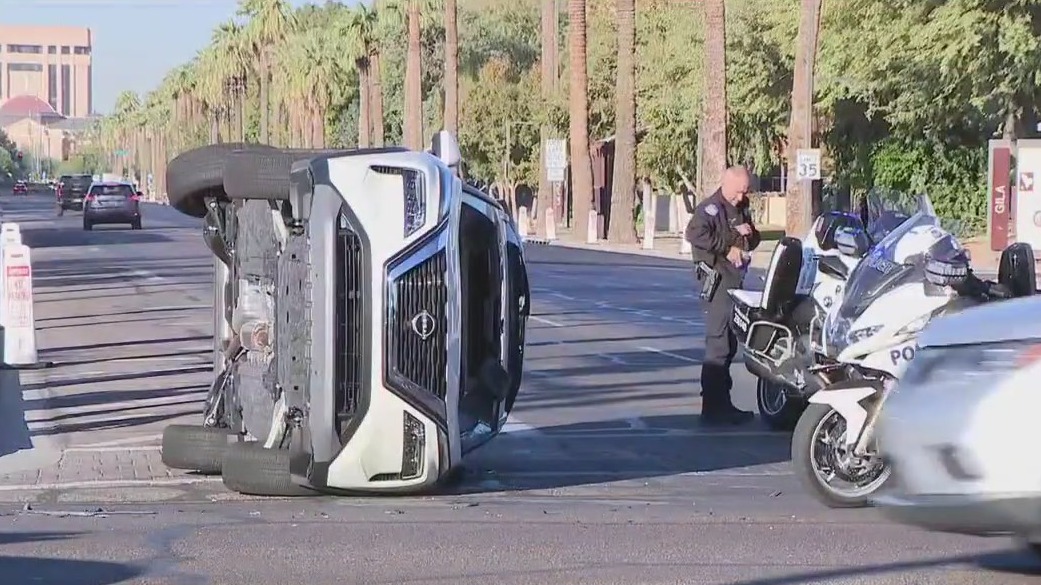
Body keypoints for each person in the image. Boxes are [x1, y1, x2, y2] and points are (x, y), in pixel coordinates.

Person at [685, 166, 761, 425]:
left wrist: (749, 236)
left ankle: (723, 402)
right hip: (716, 282)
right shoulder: (710, 209)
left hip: (735, 281)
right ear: (726, 184)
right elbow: (695, 234)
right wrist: (728, 246)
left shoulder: (740, 207)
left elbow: (751, 236)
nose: (742, 197)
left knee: (730, 344)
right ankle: (712, 406)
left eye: (745, 192)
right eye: (738, 192)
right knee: (718, 345)